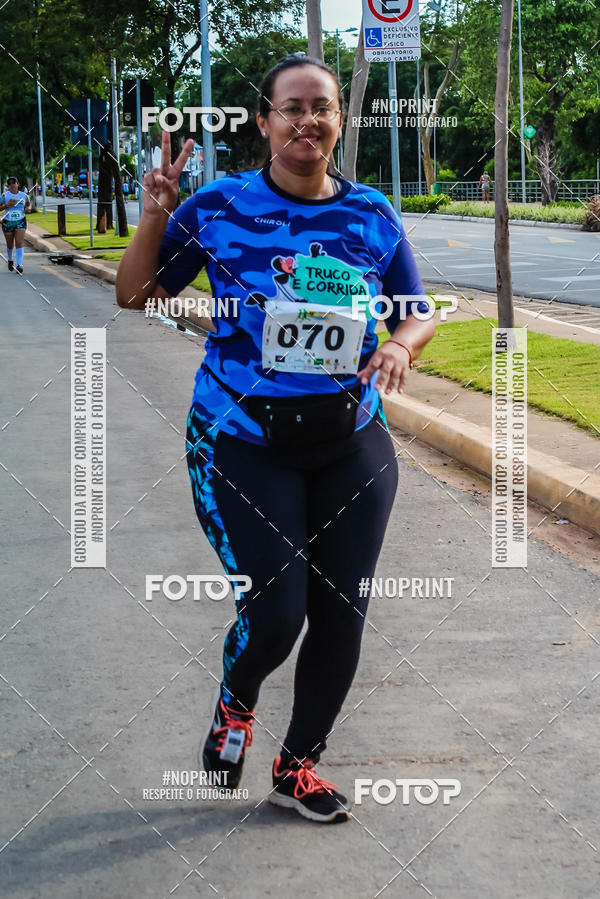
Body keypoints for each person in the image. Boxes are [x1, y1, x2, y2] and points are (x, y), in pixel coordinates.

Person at [116, 54, 435, 824]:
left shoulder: (373, 215)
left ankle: (299, 767)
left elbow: (416, 308)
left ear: (340, 119)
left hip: (351, 438)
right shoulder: (218, 206)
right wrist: (157, 212)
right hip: (240, 436)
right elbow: (134, 293)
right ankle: (236, 701)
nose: (308, 120)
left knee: (341, 608)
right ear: (264, 122)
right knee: (279, 608)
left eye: (321, 106)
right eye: (291, 107)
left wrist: (400, 345)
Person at [1, 176, 31, 273]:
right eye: (10, 186)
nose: (13, 187)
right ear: (8, 186)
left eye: (14, 185)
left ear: (17, 184)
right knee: (10, 244)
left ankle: (19, 264)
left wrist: (27, 208)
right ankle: (10, 260)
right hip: (7, 221)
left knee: (19, 242)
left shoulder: (23, 195)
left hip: (20, 220)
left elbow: (27, 205)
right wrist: (7, 205)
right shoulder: (4, 196)